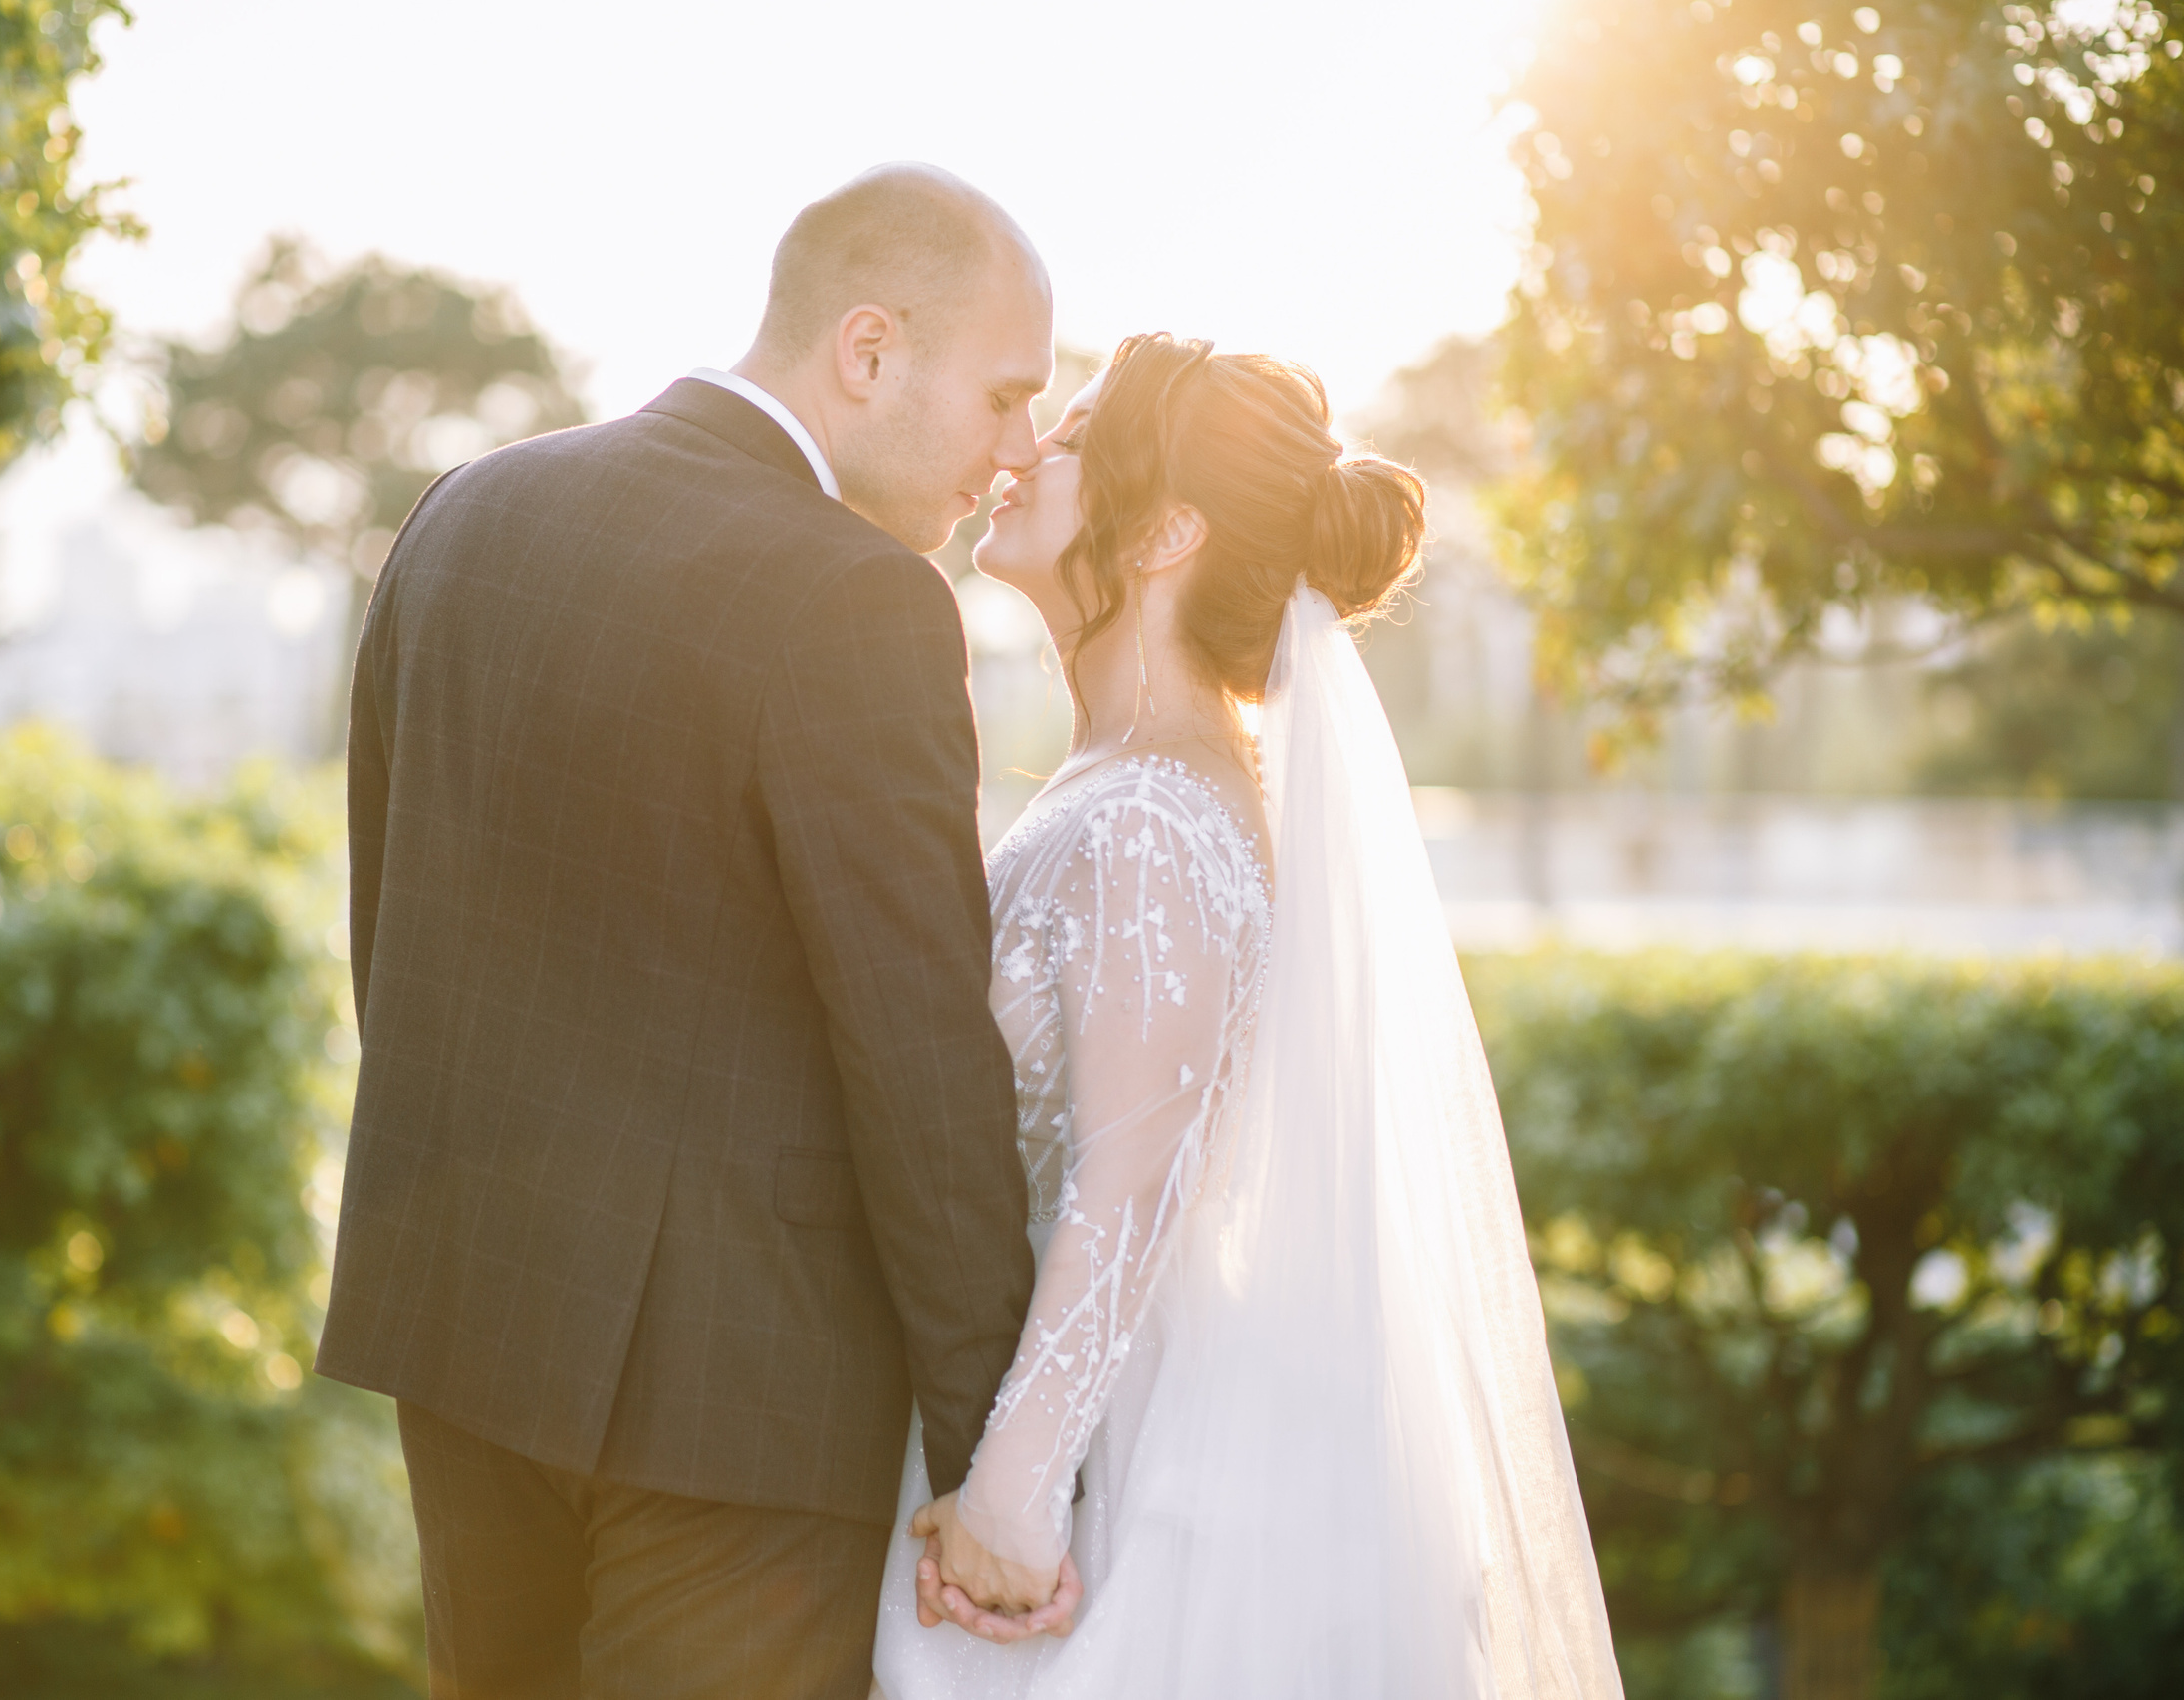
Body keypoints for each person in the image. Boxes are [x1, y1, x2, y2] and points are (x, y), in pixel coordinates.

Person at [316, 164, 1065, 1700]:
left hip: (463, 1338)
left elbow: (386, 927)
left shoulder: (463, 514)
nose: (1017, 453)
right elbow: (920, 1067)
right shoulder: (860, 599)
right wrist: (999, 1457)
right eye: (1004, 398)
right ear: (869, 349)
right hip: (744, 1400)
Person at [871, 335, 1625, 1698]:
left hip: (1119, 1501)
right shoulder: (1126, 780)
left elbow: (1130, 1179)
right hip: (1078, 1431)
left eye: (1081, 429)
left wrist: (1012, 1505)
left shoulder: (1153, 817)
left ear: (1164, 531)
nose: (1026, 446)